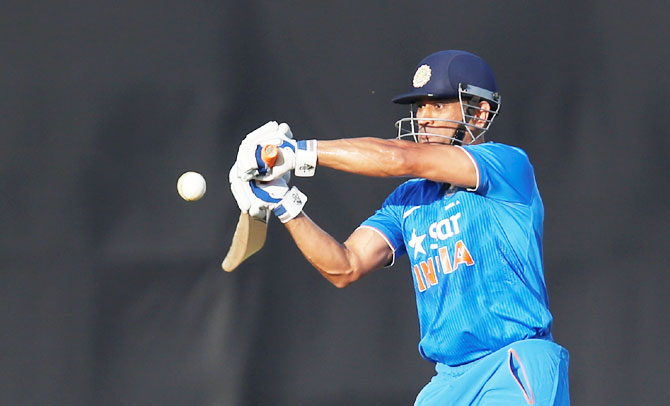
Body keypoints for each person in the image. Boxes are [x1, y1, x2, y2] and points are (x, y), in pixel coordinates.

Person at [229, 50, 570, 405]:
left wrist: (295, 153)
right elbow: (344, 266)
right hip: (448, 380)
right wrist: (286, 205)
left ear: (479, 113)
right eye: (420, 107)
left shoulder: (506, 166)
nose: (423, 118)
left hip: (511, 364)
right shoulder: (410, 199)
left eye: (437, 106)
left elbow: (400, 158)